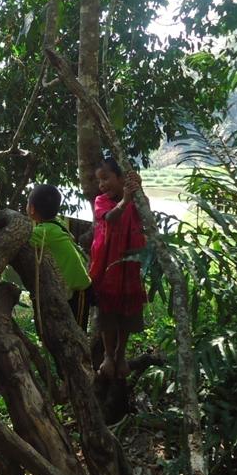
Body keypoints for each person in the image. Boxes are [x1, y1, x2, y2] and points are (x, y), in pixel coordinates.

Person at [89, 156, 146, 379]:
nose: (102, 185)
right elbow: (111, 219)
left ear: (121, 178)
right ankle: (108, 356)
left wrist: (139, 190)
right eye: (99, 181)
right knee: (107, 313)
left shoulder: (136, 201)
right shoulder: (101, 201)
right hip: (107, 268)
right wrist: (125, 200)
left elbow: (146, 214)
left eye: (106, 178)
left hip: (129, 267)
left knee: (127, 312)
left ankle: (121, 354)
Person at [26, 184, 93, 330]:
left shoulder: (42, 232)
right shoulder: (56, 223)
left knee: (76, 328)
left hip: (79, 287)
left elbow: (22, 240)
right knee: (71, 326)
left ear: (31, 208)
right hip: (73, 286)